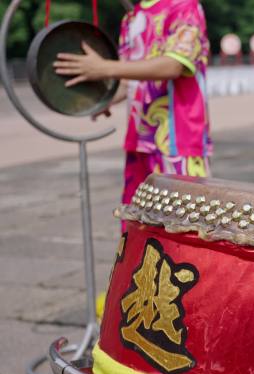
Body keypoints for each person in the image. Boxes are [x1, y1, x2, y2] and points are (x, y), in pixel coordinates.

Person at [54, 0, 212, 217]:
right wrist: (106, 99)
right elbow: (129, 77)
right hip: (139, 141)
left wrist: (103, 68)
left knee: (182, 225)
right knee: (136, 223)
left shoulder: (184, 6)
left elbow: (173, 65)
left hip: (177, 141)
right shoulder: (132, 18)